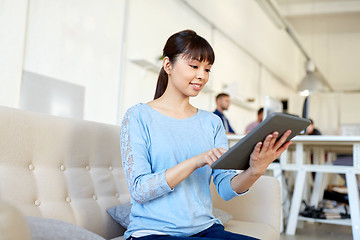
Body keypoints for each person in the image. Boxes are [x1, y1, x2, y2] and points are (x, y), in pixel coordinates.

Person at [120, 29, 292, 240]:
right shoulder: (138, 116)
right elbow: (140, 190)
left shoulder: (212, 122)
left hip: (205, 230)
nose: (202, 76)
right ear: (168, 65)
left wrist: (255, 170)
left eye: (207, 69)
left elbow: (226, 189)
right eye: (194, 66)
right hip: (153, 233)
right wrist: (195, 161)